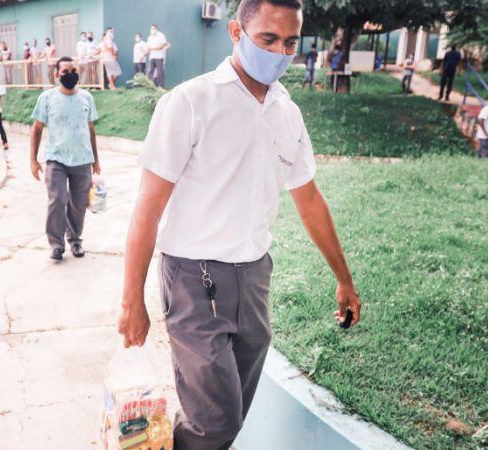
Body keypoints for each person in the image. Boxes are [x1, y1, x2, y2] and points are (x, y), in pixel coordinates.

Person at [118, 0, 361, 448]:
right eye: (267, 39)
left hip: (253, 280)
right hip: (194, 279)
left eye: (290, 42)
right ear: (236, 32)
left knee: (229, 416)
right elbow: (147, 209)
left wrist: (343, 279)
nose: (280, 52)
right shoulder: (189, 102)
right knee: (217, 424)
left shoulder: (287, 113)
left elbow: (308, 199)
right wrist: (133, 298)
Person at [30, 56, 101, 261]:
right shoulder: (47, 98)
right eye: (65, 72)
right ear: (56, 75)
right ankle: (56, 245)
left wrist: (96, 159)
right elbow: (36, 129)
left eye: (73, 71)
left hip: (82, 160)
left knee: (78, 205)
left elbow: (91, 129)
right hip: (56, 159)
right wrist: (33, 161)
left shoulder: (87, 97)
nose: (70, 75)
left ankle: (75, 240)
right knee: (57, 201)